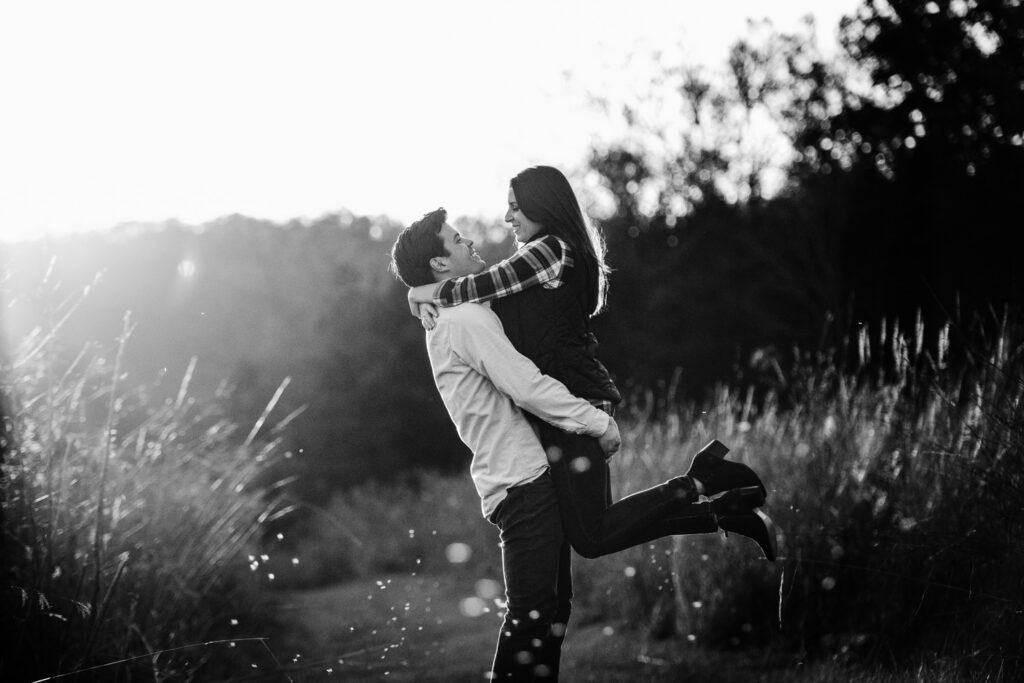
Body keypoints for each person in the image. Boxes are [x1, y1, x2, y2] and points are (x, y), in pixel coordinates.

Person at [391, 208, 771, 681]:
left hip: (528, 474)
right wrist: (596, 423)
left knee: (550, 612)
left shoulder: (464, 310)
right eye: (457, 240)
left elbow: (496, 299)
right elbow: (525, 386)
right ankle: (704, 490)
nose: (470, 242)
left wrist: (417, 292)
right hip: (519, 481)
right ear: (440, 263)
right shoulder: (463, 320)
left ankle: (708, 496)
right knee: (535, 615)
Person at [406, 167, 774, 561]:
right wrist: (422, 294)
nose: (508, 217)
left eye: (516, 207)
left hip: (574, 402)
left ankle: (701, 481)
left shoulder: (549, 250)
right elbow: (486, 297)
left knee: (593, 536)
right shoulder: (551, 252)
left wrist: (419, 291)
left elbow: (483, 286)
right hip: (565, 402)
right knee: (594, 530)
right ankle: (722, 510)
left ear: (541, 205)